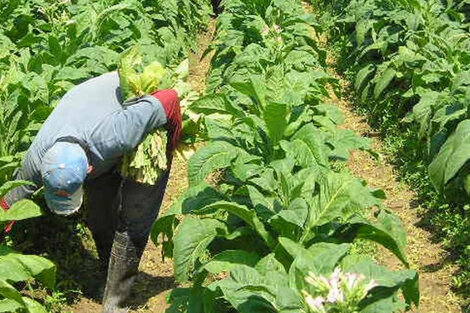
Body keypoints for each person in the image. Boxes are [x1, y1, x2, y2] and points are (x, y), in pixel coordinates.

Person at [0, 71, 182, 313]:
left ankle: (115, 303)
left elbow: (169, 98)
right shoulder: (39, 157)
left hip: (141, 120)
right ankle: (107, 270)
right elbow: (10, 200)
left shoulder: (118, 134)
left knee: (134, 219)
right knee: (99, 215)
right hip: (91, 119)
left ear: (89, 168)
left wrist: (171, 142)